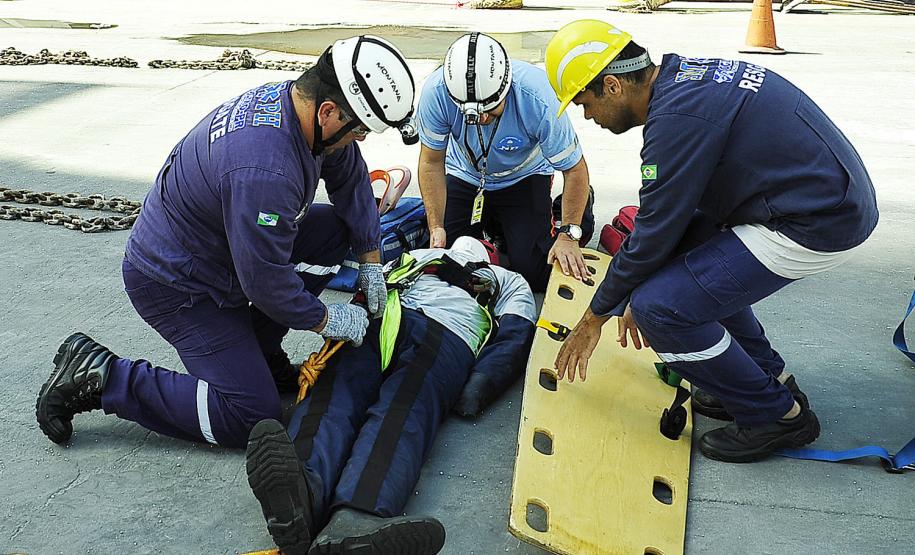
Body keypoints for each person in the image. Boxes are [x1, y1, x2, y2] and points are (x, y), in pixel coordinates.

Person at [35, 35, 420, 449]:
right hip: (176, 284)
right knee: (251, 416)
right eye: (359, 129)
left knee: (334, 230)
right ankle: (103, 375)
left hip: (222, 251)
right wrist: (326, 319)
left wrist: (370, 260)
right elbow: (265, 281)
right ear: (328, 112)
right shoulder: (265, 169)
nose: (359, 139)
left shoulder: (303, 110)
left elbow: (350, 179)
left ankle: (258, 354)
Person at [546, 20, 878, 463]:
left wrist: (595, 317)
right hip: (821, 197)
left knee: (660, 309)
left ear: (612, 86)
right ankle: (764, 377)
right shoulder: (683, 80)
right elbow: (669, 221)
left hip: (818, 220)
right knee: (676, 272)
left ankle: (776, 415)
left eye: (586, 104)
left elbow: (653, 233)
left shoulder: (676, 121)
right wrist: (631, 283)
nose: (588, 117)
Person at [243, 236, 536, 554]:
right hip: (436, 330)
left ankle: (304, 490)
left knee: (336, 395)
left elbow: (516, 333)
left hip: (399, 322)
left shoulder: (435, 262)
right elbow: (516, 333)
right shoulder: (498, 277)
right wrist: (480, 383)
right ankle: (356, 512)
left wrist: (482, 381)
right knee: (400, 412)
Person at [415, 32, 596, 292]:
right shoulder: (436, 92)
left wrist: (569, 234)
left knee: (535, 272)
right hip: (466, 174)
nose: (482, 118)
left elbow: (575, 169)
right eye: (473, 113)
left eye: (491, 108)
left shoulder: (537, 96)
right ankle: (499, 225)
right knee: (449, 264)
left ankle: (576, 208)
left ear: (507, 86)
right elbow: (431, 162)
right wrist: (436, 226)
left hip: (524, 174)